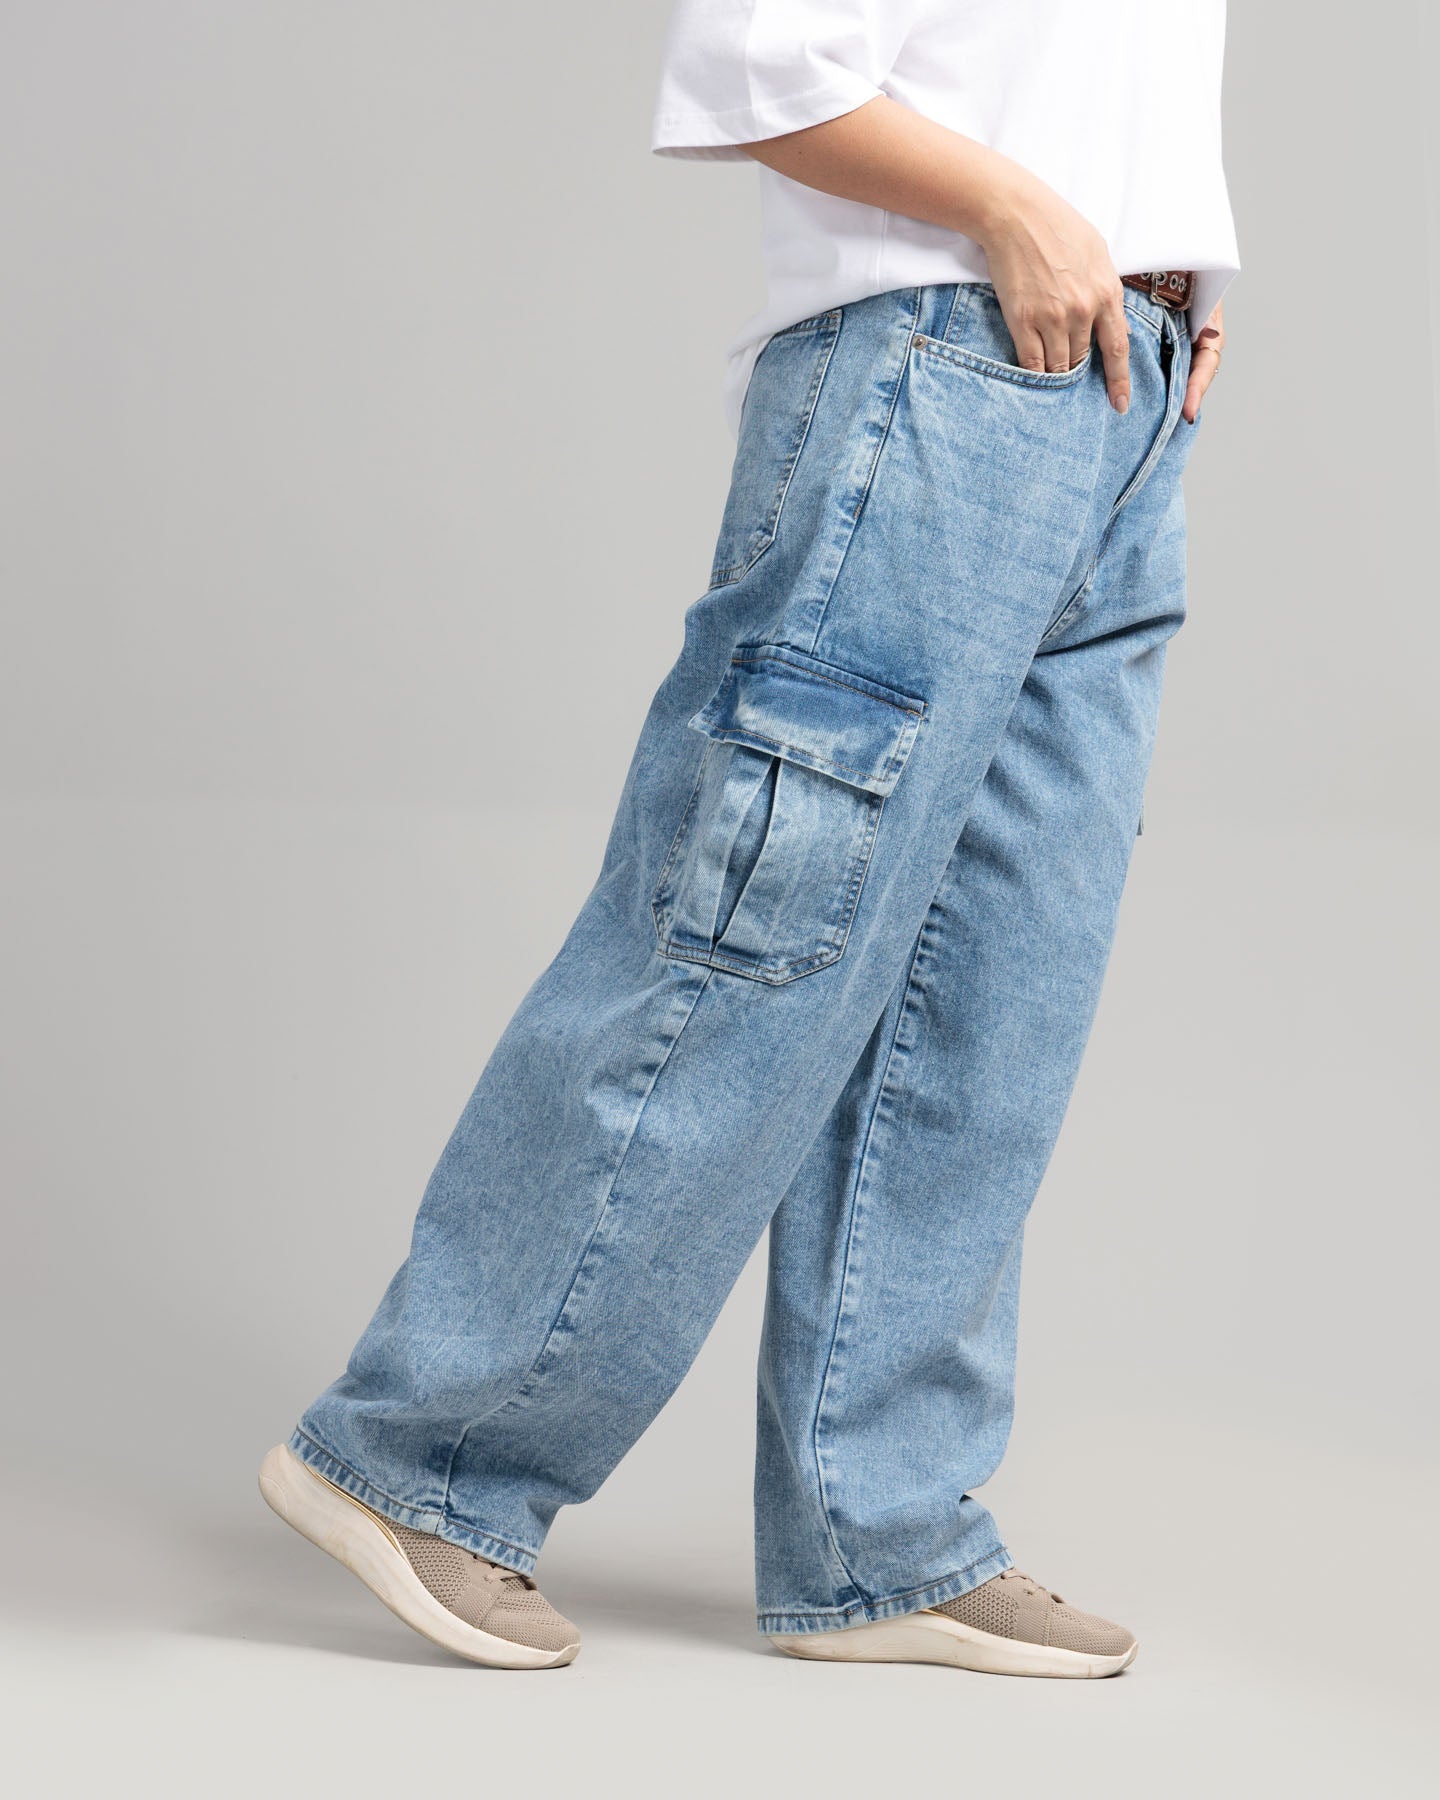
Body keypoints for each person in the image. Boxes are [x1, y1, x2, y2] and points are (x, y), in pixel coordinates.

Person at [259, 0, 1239, 1676]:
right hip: (937, 349)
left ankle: (887, 1529)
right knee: (759, 933)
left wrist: (1181, 280)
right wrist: (1021, 212)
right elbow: (757, 63)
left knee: (1002, 984)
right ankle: (425, 1457)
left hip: (1122, 395)